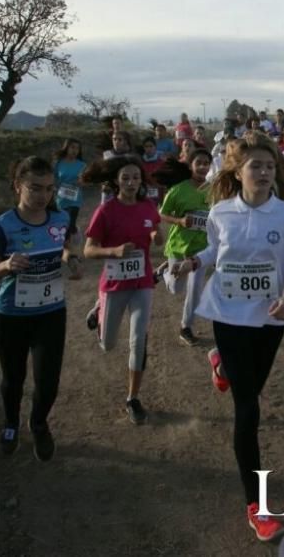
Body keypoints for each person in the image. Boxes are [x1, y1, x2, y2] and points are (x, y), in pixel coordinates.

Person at [171, 134, 284, 543]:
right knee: (248, 408)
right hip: (229, 315)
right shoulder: (220, 212)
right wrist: (192, 262)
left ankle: (222, 364)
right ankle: (258, 505)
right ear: (238, 172)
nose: (265, 172)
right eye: (256, 166)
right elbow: (216, 250)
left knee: (250, 387)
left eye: (270, 166)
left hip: (269, 320)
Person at [0, 156, 83, 461]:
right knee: (13, 378)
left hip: (51, 313)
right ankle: (10, 423)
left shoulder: (60, 220)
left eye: (49, 189)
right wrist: (7, 265)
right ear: (17, 186)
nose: (42, 196)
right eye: (35, 188)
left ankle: (39, 424)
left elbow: (62, 249)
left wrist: (69, 261)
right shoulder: (4, 225)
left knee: (48, 381)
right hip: (11, 316)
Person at [82, 156, 164, 426]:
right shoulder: (105, 211)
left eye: (136, 178)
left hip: (142, 282)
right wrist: (113, 251)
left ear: (141, 181)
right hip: (114, 284)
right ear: (116, 181)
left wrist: (156, 237)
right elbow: (88, 250)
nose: (131, 183)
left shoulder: (148, 206)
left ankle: (133, 398)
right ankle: (99, 307)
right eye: (125, 178)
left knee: (138, 340)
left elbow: (154, 228)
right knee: (108, 345)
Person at [153, 148, 213, 346]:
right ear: (191, 166)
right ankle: (163, 273)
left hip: (201, 247)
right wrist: (179, 221)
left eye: (207, 163)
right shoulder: (178, 189)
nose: (203, 166)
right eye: (199, 163)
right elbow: (161, 214)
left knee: (195, 288)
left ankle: (185, 327)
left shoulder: (214, 189)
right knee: (176, 288)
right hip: (179, 246)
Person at [53, 138, 87, 242]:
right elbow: (54, 178)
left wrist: (81, 182)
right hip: (61, 198)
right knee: (63, 223)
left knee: (70, 222)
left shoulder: (82, 165)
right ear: (66, 148)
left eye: (77, 148)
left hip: (75, 198)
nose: (74, 150)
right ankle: (73, 231)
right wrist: (54, 188)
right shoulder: (58, 163)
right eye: (72, 147)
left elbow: (85, 181)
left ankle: (67, 245)